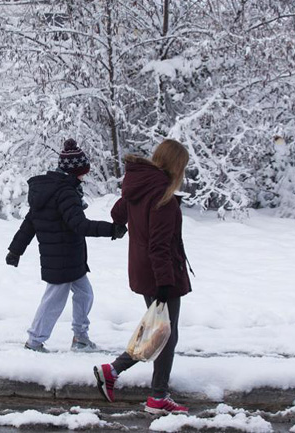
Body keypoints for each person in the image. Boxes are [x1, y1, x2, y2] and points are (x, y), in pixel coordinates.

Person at [93, 139, 192, 415]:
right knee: (165, 335)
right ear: (176, 165)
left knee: (158, 330)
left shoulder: (140, 185)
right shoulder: (163, 197)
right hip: (160, 275)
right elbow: (159, 246)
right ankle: (156, 396)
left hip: (143, 270)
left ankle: (113, 371)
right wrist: (165, 283)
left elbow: (117, 214)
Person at [6, 139, 128, 352]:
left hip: (70, 258)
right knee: (54, 301)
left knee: (85, 294)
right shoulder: (64, 192)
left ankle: (80, 337)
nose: (84, 176)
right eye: (83, 172)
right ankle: (34, 341)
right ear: (76, 172)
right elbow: (79, 225)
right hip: (61, 259)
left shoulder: (53, 190)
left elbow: (29, 223)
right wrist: (111, 229)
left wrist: (15, 250)